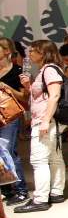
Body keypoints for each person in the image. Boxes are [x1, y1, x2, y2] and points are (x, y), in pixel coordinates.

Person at [15, 40, 65, 213]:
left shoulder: (50, 69)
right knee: (54, 157)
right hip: (50, 120)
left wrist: (45, 120)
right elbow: (43, 96)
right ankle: (56, 192)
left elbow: (54, 95)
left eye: (33, 51)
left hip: (46, 121)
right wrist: (28, 86)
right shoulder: (47, 70)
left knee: (39, 160)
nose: (30, 54)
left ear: (43, 53)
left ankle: (40, 199)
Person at [0, 37, 29, 205]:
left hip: (10, 116)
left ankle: (21, 190)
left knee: (8, 150)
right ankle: (7, 189)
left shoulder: (17, 71)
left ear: (7, 51)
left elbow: (24, 97)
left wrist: (7, 87)